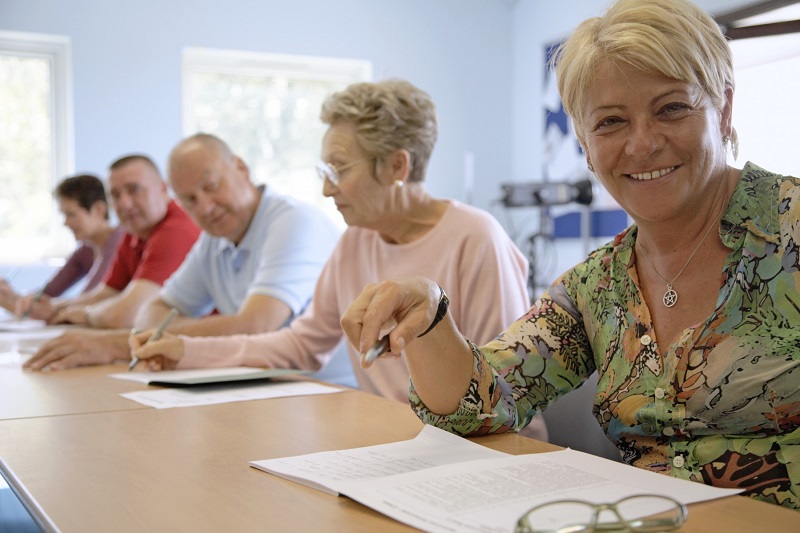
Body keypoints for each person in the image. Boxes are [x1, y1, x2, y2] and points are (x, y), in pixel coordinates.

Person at [340, 0, 800, 510]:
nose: (642, 143)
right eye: (610, 122)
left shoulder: (791, 226)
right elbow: (480, 404)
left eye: (671, 108)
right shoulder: (597, 285)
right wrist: (429, 313)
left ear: (725, 109)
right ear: (583, 142)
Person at [129, 79, 549, 441]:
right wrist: (185, 350)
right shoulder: (355, 242)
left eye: (339, 169)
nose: (328, 190)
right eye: (324, 171)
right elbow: (301, 344)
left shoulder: (477, 239)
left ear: (397, 166)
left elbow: (505, 391)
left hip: (478, 449)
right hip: (394, 440)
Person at [23, 133, 341, 370]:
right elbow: (154, 310)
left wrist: (129, 343)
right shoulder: (213, 239)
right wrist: (157, 337)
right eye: (188, 199)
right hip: (262, 385)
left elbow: (257, 324)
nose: (203, 207)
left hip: (325, 394)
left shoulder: (293, 221)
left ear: (241, 168)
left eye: (211, 185)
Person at [22, 155, 200, 368]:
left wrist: (85, 315)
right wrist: (58, 307)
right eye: (115, 195)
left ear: (163, 189)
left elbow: (127, 314)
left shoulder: (175, 231)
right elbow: (106, 293)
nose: (124, 203)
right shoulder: (132, 232)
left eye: (134, 190)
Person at [0, 174, 123, 314]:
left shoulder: (120, 243)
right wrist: (9, 296)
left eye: (71, 214)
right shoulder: (85, 251)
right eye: (64, 215)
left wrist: (24, 304)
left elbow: (90, 300)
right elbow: (47, 294)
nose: (65, 223)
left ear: (98, 210)